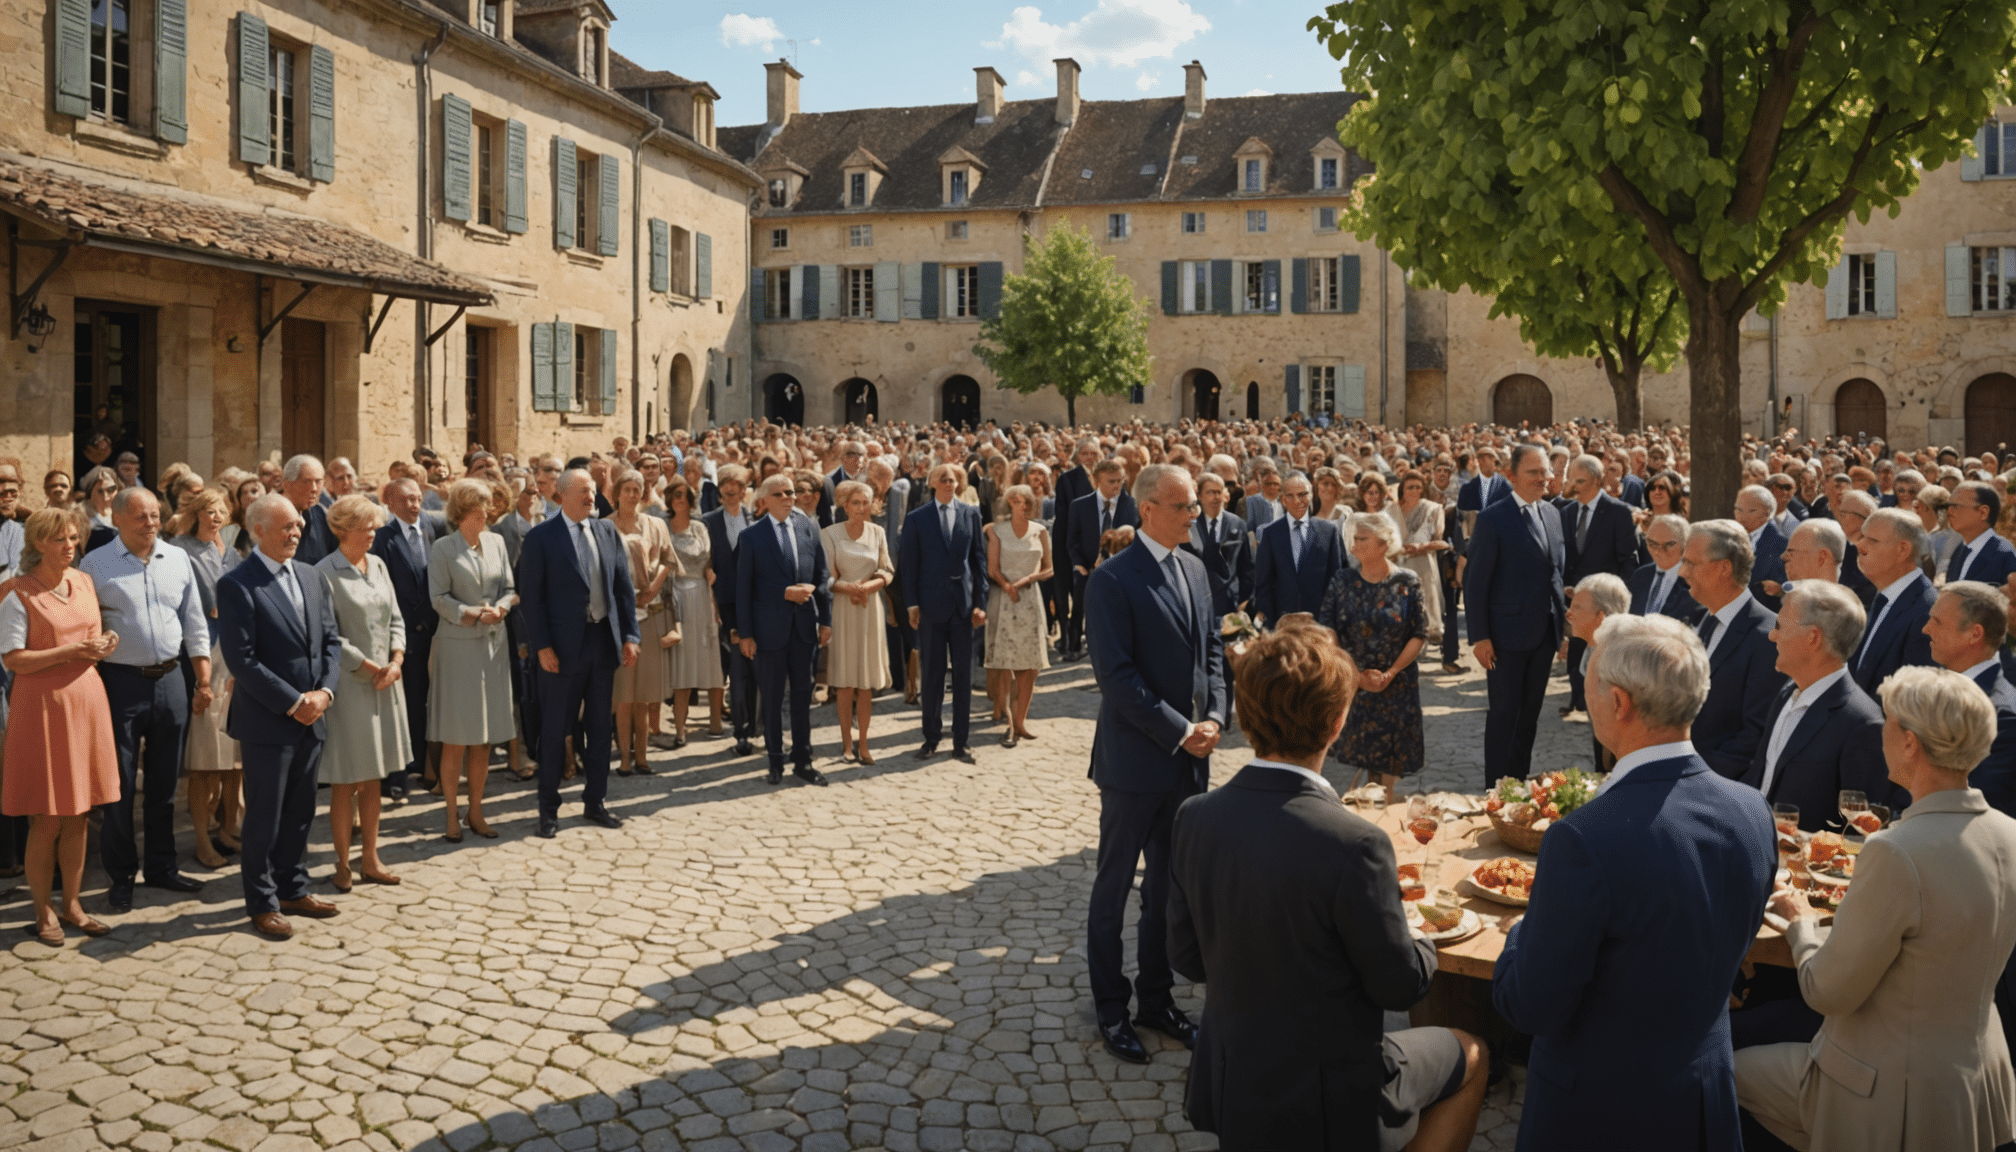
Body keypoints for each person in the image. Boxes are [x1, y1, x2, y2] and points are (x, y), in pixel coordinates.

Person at [1167, 619, 1487, 1152]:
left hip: (1233, 1076)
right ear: (1338, 723)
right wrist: (1425, 938)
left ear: (1244, 717)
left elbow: (1186, 956)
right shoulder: (1355, 843)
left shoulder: (1195, 816)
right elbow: (1400, 986)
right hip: (1331, 1094)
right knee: (1473, 1053)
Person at [1494, 612, 1776, 1152]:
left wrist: (1519, 933)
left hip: (1597, 1113)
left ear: (1619, 703)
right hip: (1702, 1096)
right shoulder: (1751, 809)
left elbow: (1531, 1005)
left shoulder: (1584, 838)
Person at [1738, 666, 2016, 1152]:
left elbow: (1826, 991)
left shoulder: (1896, 850)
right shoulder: (2009, 833)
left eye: (1887, 722)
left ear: (1909, 743)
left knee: (1719, 1068)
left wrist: (1801, 923)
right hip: (1979, 1072)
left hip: (1880, 1085)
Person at [1083, 463, 1224, 1065]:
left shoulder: (1194, 567)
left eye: (1195, 505)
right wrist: (1179, 729)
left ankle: (1156, 1000)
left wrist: (1216, 714)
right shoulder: (1112, 580)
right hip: (1134, 763)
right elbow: (1116, 676)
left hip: (1189, 763)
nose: (1195, 514)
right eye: (1184, 506)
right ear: (1147, 509)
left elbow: (1211, 649)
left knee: (1169, 891)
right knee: (1114, 891)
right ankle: (1111, 1009)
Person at [215, 494, 344, 939]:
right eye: (286, 526)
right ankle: (262, 902)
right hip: (269, 721)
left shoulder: (310, 575)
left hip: (314, 716)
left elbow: (331, 641)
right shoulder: (237, 584)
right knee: (265, 817)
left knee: (301, 812)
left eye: (299, 525)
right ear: (259, 531)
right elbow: (243, 660)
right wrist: (295, 701)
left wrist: (324, 693)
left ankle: (293, 888)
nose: (297, 532)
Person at [80, 487, 210, 912]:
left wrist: (203, 676)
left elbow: (193, 621)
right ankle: (121, 877)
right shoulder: (95, 564)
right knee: (118, 784)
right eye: (141, 516)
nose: (151, 523)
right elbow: (86, 626)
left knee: (164, 782)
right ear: (118, 519)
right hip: (120, 683)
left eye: (155, 515)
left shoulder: (177, 559)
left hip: (172, 680)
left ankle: (161, 866)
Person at [1, 509, 121, 943]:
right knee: (47, 817)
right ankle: (42, 911)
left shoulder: (85, 582)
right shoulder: (17, 594)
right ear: (37, 544)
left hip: (87, 701)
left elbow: (93, 636)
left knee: (79, 815)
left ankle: (73, 904)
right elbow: (13, 659)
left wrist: (104, 644)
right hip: (43, 707)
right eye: (59, 539)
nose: (70, 545)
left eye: (73, 537)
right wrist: (71, 652)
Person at [520, 470, 639, 836]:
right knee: (555, 729)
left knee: (600, 727)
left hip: (602, 643)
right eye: (584, 492)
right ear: (562, 496)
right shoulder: (541, 538)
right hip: (560, 649)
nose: (592, 497)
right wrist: (542, 646)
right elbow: (532, 599)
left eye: (593, 491)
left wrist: (630, 635)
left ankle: (595, 802)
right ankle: (548, 809)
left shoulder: (606, 531)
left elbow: (623, 587)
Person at [1746, 581, 1898, 831]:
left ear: (1813, 637)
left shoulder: (1863, 725)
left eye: (1779, 626)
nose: (1772, 635)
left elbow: (1859, 832)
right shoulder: (1786, 694)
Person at [313, 495, 407, 890]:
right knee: (346, 780)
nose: (373, 533)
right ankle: (341, 863)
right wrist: (368, 667)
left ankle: (371, 857)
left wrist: (397, 660)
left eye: (375, 526)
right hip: (350, 687)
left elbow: (396, 618)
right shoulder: (323, 572)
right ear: (343, 527)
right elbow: (327, 634)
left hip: (387, 683)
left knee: (374, 778)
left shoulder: (380, 564)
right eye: (366, 526)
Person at [1462, 444, 1566, 786]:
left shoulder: (1552, 514)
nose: (1541, 478)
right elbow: (1475, 582)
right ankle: (1495, 789)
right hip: (1505, 638)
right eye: (1533, 472)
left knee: (1529, 718)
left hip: (1543, 635)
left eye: (1545, 472)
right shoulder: (1494, 517)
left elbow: (1555, 576)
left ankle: (1517, 785)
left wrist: (1562, 629)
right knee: (1505, 716)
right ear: (1512, 476)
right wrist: (1480, 637)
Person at [429, 479, 517, 840]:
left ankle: (475, 811)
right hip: (458, 647)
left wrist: (501, 606)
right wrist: (470, 612)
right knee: (456, 737)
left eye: (489, 508)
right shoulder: (443, 548)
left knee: (483, 739)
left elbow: (511, 589)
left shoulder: (496, 542)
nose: (487, 513)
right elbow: (437, 596)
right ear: (462, 510)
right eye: (480, 507)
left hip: (494, 647)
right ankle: (451, 814)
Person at [1316, 512, 1426, 789]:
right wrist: (1354, 674)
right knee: (1360, 760)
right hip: (1356, 683)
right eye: (1352, 539)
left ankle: (1385, 811)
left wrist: (1391, 673)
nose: (1353, 546)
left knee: (1391, 761)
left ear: (1384, 542)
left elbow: (1418, 633)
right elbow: (1328, 629)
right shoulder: (1342, 581)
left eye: (1362, 539)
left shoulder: (1407, 582)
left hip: (1397, 684)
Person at [737, 474, 832, 785]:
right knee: (774, 698)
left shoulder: (809, 527)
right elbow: (744, 589)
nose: (789, 498)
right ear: (765, 500)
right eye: (780, 494)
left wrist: (826, 620)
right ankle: (775, 761)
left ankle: (803, 760)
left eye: (791, 492)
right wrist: (747, 633)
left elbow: (822, 576)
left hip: (804, 627)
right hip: (769, 630)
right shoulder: (751, 536)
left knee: (803, 697)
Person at [167, 489, 242, 869]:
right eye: (209, 510)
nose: (216, 516)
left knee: (233, 756)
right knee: (206, 758)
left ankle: (228, 828)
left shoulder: (232, 552)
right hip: (202, 657)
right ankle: (200, 840)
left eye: (221, 510)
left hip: (235, 656)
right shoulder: (178, 549)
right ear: (195, 513)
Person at [1680, 519, 1786, 779]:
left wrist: (1692, 776)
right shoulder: (1705, 620)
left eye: (1691, 563)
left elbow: (1756, 735)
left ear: (1723, 568)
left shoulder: (1768, 636)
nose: (1682, 571)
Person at [901, 463, 988, 763]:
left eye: (953, 480)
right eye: (943, 480)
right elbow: (909, 566)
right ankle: (931, 738)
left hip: (963, 608)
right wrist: (912, 605)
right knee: (933, 677)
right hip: (931, 607)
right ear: (932, 484)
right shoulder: (917, 518)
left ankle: (961, 742)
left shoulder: (971, 514)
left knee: (963, 677)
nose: (949, 484)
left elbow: (979, 561)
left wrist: (980, 603)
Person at [369, 478, 446, 801]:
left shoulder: (432, 532)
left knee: (428, 707)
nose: (414, 505)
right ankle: (394, 777)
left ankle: (429, 771)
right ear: (390, 502)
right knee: (400, 710)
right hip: (400, 638)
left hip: (432, 635)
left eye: (418, 499)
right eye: (407, 500)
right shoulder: (383, 539)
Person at [607, 469, 678, 776]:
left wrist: (652, 588)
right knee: (624, 694)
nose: (633, 495)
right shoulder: (603, 527)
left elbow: (667, 559)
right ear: (617, 493)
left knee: (644, 693)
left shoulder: (655, 523)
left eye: (638, 489)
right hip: (619, 616)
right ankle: (623, 756)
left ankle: (643, 755)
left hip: (650, 613)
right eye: (628, 489)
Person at [1557, 454, 1640, 715]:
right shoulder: (1567, 513)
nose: (1574, 485)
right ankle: (1578, 699)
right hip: (1576, 602)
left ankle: (1601, 704)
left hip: (1606, 605)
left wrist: (1618, 599)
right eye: (1572, 479)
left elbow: (1628, 559)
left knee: (1602, 658)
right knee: (1575, 655)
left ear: (1596, 481)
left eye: (1580, 480)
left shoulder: (1618, 512)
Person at [822, 480, 894, 763]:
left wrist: (869, 588)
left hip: (869, 608)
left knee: (865, 682)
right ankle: (846, 745)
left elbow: (887, 570)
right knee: (845, 681)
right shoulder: (830, 534)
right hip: (843, 608)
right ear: (844, 504)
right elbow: (826, 577)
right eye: (855, 503)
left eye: (865, 503)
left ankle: (864, 743)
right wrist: (849, 588)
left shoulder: (878, 532)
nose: (861, 509)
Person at [984, 484, 1053, 748]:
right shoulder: (996, 531)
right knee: (1006, 664)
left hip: (1030, 599)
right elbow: (992, 568)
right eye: (1013, 501)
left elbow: (1049, 568)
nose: (1019, 505)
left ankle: (1021, 721)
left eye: (1023, 501)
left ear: (1030, 504)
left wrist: (1028, 579)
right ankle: (1010, 722)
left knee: (1030, 665)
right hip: (1005, 599)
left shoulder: (1041, 531)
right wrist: (1007, 585)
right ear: (1007, 503)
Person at [1847, 506, 1938, 696]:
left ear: (1903, 549)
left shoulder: (1925, 612)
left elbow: (1911, 702)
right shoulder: (1886, 596)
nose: (1860, 545)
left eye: (1872, 540)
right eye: (1862, 537)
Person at [663, 477, 724, 747]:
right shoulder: (662, 527)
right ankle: (679, 728)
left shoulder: (700, 527)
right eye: (674, 495)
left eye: (682, 495)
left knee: (710, 658)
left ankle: (716, 721)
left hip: (701, 593)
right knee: (681, 664)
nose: (678, 499)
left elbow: (707, 558)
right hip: (675, 598)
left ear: (690, 499)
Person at [704, 465, 758, 757]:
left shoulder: (757, 520)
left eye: (735, 483)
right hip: (726, 605)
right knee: (737, 670)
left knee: (757, 669)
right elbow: (705, 564)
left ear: (744, 489)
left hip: (756, 605)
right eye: (725, 483)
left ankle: (756, 725)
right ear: (719, 490)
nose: (730, 488)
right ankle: (741, 730)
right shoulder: (708, 522)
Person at [1251, 473, 1347, 626]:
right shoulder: (1270, 534)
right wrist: (1271, 624)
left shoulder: (1328, 532)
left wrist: (1330, 621)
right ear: (1283, 500)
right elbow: (1263, 585)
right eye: (1291, 496)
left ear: (1311, 495)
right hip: (1283, 623)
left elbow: (1338, 580)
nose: (1297, 501)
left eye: (1302, 494)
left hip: (1320, 623)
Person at [1067, 459, 1138, 646]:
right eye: (1111, 481)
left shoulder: (1130, 504)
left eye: (1119, 481)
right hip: (1087, 568)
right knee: (1080, 608)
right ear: (1096, 481)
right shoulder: (1079, 505)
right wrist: (1080, 564)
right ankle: (1073, 646)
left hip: (1119, 569)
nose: (1117, 485)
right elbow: (1072, 540)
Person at [1388, 470, 1449, 647]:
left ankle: (1424, 640)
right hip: (1398, 564)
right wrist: (1399, 549)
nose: (1414, 490)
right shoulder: (1391, 510)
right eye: (1410, 487)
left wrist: (1422, 547)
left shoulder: (1432, 509)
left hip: (1423, 563)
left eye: (1418, 487)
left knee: (1424, 606)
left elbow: (1442, 543)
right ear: (1402, 489)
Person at [1052, 438, 1100, 660]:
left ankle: (1089, 640)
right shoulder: (1067, 479)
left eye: (1094, 453)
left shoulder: (1105, 477)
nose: (1090, 458)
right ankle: (1071, 644)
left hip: (1098, 544)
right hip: (1072, 543)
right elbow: (1064, 517)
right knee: (1072, 596)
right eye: (1086, 454)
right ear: (1078, 456)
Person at [1188, 473, 1252, 620]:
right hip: (1199, 602)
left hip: (1230, 602)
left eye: (1219, 492)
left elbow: (1247, 566)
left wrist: (1244, 599)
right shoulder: (1189, 526)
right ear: (1199, 496)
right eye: (1210, 492)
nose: (1216, 497)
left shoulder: (1237, 524)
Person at [1627, 514, 1705, 624]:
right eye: (1652, 544)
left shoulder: (1696, 581)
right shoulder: (1640, 576)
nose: (1658, 551)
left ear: (1685, 544)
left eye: (1668, 545)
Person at [1947, 480, 2016, 587]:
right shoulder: (1960, 550)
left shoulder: (2004, 554)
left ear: (1983, 512)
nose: (1950, 512)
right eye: (1949, 507)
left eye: (1956, 506)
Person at [1736, 483, 1791, 612]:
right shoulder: (1728, 539)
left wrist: (1781, 590)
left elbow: (1796, 586)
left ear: (1767, 513)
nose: (1741, 516)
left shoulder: (1783, 545)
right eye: (1738, 509)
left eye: (1751, 510)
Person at [280, 455, 335, 566]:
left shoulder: (322, 515)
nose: (314, 489)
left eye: (318, 482)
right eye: (306, 482)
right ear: (287, 485)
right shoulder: (268, 517)